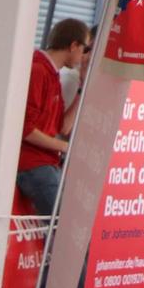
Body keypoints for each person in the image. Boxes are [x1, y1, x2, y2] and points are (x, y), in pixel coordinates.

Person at [18, 19, 92, 219]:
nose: (83, 56)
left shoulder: (53, 74)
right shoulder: (38, 71)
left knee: (70, 226)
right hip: (34, 165)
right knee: (68, 227)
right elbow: (25, 129)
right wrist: (64, 147)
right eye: (84, 48)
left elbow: (63, 127)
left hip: (48, 164)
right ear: (73, 45)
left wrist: (82, 87)